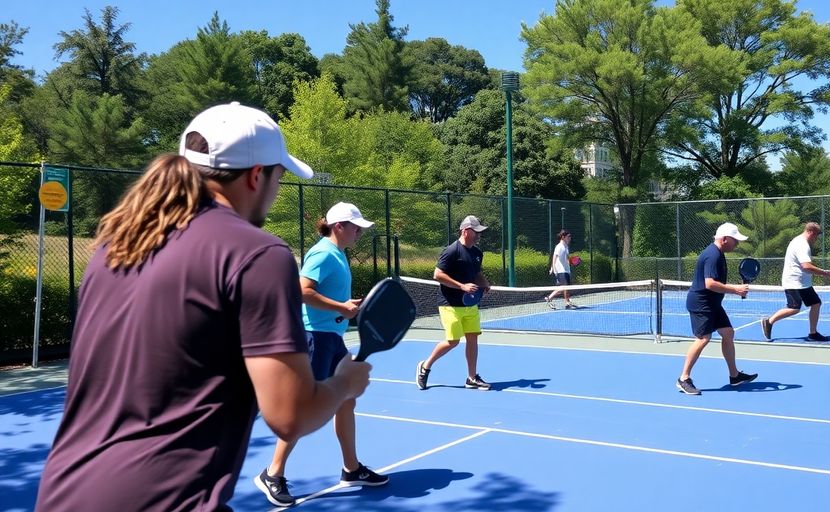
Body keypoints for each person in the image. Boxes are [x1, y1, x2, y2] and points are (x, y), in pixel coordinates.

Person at [35, 102, 371, 512]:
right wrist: (343, 384)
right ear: (254, 176)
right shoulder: (258, 253)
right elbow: (292, 414)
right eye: (278, 176)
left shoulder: (116, 246)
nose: (277, 188)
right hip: (165, 499)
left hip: (63, 492)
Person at [254, 201, 387, 507]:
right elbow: (301, 290)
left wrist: (344, 306)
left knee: (347, 399)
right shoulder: (324, 253)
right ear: (339, 226)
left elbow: (323, 295)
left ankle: (351, 469)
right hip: (315, 339)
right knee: (302, 408)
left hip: (333, 337)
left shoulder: (338, 255)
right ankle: (272, 474)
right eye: (356, 227)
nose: (359, 233)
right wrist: (342, 308)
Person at [677, 222, 758, 396]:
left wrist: (733, 289)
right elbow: (710, 284)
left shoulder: (719, 254)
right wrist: (735, 289)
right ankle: (683, 378)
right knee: (703, 339)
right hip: (702, 304)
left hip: (713, 304)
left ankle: (734, 375)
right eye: (735, 240)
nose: (737, 244)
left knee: (728, 332)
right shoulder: (713, 255)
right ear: (724, 239)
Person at [416, 215, 492, 391]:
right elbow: (438, 275)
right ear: (465, 231)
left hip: (470, 305)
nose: (479, 235)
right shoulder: (451, 251)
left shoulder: (477, 253)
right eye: (476, 232)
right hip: (450, 304)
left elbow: (477, 273)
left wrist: (484, 283)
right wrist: (462, 286)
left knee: (472, 339)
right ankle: (425, 366)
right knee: (452, 341)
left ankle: (471, 378)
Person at [761, 222, 830, 342]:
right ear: (810, 232)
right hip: (793, 282)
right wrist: (826, 273)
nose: (816, 239)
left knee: (816, 304)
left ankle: (813, 333)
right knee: (794, 308)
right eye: (815, 235)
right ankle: (768, 322)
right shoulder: (801, 244)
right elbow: (806, 266)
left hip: (803, 283)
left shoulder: (800, 242)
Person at [544, 230, 577, 309]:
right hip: (561, 271)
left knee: (562, 288)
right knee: (565, 287)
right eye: (568, 237)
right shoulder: (559, 246)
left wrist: (572, 261)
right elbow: (554, 257)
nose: (570, 238)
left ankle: (549, 298)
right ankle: (567, 302)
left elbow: (567, 259)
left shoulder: (566, 247)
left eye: (570, 237)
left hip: (566, 270)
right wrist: (553, 268)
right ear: (563, 237)